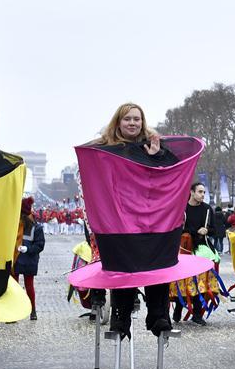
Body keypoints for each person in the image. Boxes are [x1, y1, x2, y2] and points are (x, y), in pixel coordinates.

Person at [88, 102, 176, 339]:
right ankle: (120, 318)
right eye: (127, 119)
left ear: (142, 122)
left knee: (158, 264)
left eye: (137, 119)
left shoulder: (153, 145)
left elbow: (170, 174)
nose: (133, 123)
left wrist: (157, 156)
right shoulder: (105, 149)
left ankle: (158, 315)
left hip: (150, 216)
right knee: (122, 268)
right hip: (119, 216)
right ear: (118, 122)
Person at [172, 181, 214, 326]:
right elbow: (176, 227)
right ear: (191, 192)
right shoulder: (182, 208)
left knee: (201, 281)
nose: (202, 195)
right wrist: (193, 231)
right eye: (200, 191)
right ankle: (178, 306)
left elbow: (215, 229)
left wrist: (207, 230)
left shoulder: (208, 209)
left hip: (202, 248)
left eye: (204, 192)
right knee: (182, 280)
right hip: (184, 248)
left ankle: (197, 313)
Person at [13, 196, 45, 320]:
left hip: (28, 260)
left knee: (28, 286)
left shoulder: (36, 228)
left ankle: (32, 310)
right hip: (17, 259)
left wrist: (28, 249)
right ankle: (17, 311)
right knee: (15, 287)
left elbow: (40, 245)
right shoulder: (18, 224)